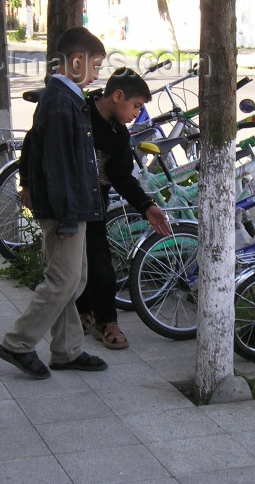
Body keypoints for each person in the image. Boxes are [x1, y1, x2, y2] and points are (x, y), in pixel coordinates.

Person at [0, 27, 108, 379]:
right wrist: (68, 219)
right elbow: (59, 167)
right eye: (96, 64)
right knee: (62, 280)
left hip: (73, 209)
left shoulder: (65, 98)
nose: (98, 73)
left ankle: (66, 350)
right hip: (65, 212)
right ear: (76, 61)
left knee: (75, 279)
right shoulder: (60, 103)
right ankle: (17, 343)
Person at [77, 68, 171, 349]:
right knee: (70, 267)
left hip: (94, 206)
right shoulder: (76, 113)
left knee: (100, 262)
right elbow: (37, 143)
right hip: (63, 205)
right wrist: (29, 186)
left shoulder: (118, 134)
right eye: (136, 106)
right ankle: (81, 311)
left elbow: (120, 176)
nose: (136, 113)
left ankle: (106, 320)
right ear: (118, 96)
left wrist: (146, 206)